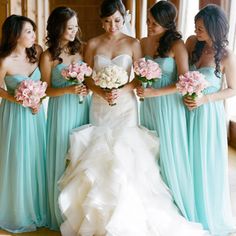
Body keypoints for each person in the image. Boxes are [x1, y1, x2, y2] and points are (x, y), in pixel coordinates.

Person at [57, 1, 210, 235]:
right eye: (107, 21)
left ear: (123, 19)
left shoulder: (134, 43)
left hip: (125, 107)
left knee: (126, 154)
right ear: (101, 21)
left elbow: (140, 77)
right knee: (98, 154)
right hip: (100, 106)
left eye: (117, 20)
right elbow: (87, 77)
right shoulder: (93, 44)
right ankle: (96, 216)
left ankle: (128, 216)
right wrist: (100, 91)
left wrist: (123, 90)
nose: (112, 25)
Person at [136, 1, 195, 221]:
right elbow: (138, 73)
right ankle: (153, 207)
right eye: (148, 21)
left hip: (169, 106)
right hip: (148, 106)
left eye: (154, 23)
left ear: (167, 23)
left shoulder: (177, 45)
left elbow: (184, 82)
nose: (149, 26)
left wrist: (155, 93)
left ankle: (176, 208)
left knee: (169, 152)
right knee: (149, 153)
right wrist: (142, 89)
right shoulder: (143, 42)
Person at [184, 4, 236, 235]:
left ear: (215, 29)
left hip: (208, 114)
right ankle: (186, 207)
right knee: (186, 158)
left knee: (203, 160)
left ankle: (206, 212)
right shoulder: (191, 43)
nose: (197, 31)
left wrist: (206, 99)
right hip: (184, 109)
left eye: (201, 28)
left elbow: (233, 89)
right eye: (195, 27)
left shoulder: (225, 55)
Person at [40, 6, 90, 230]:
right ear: (58, 27)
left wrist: (86, 88)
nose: (74, 31)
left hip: (82, 108)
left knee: (82, 156)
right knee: (63, 156)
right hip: (61, 110)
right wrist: (69, 90)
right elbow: (45, 90)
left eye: (75, 27)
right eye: (69, 27)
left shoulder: (81, 50)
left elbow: (90, 80)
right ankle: (60, 214)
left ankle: (80, 214)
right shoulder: (48, 56)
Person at [0, 15, 47, 233]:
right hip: (15, 115)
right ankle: (17, 210)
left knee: (36, 157)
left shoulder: (36, 52)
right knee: (18, 159)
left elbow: (45, 81)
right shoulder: (5, 60)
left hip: (36, 115)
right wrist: (17, 98)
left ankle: (37, 208)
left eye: (33, 31)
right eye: (28, 31)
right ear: (15, 34)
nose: (33, 36)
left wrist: (37, 100)